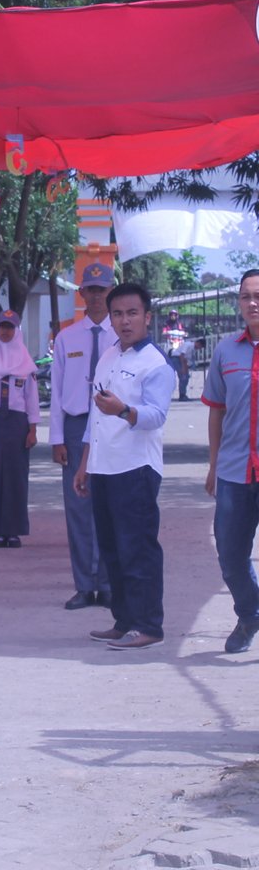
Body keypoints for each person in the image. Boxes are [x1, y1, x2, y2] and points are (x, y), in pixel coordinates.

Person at [74, 283, 175, 651]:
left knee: (138, 549)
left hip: (136, 468)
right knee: (113, 548)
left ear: (147, 317)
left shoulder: (155, 364)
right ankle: (124, 621)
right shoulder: (108, 356)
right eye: (118, 313)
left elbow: (156, 415)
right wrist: (84, 463)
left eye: (132, 313)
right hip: (104, 465)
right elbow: (94, 416)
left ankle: (149, 625)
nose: (124, 320)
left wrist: (125, 411)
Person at [49, 262, 118, 610]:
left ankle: (106, 584)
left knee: (107, 505)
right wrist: (57, 438)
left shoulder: (120, 337)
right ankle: (83, 585)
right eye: (89, 290)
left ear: (111, 292)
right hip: (76, 428)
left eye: (102, 290)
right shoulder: (67, 337)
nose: (95, 296)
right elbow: (58, 391)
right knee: (78, 507)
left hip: (112, 427)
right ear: (81, 294)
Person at [202, 269, 259, 653]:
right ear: (238, 302)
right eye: (246, 296)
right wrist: (212, 464)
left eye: (258, 295)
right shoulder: (225, 351)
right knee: (229, 552)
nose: (252, 303)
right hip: (235, 470)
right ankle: (250, 612)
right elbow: (216, 411)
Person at [0, 310, 40, 548]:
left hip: (17, 423)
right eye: (2, 326)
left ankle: (13, 531)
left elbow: (31, 399)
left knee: (16, 476)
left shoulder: (25, 364)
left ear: (17, 331)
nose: (5, 331)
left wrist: (32, 429)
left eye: (10, 327)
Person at [161, 309, 191, 401]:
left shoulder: (179, 324)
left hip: (179, 348)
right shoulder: (167, 325)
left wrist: (181, 333)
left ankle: (182, 394)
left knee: (183, 375)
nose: (173, 316)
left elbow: (185, 333)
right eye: (171, 315)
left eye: (175, 315)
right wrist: (171, 333)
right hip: (170, 347)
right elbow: (164, 333)